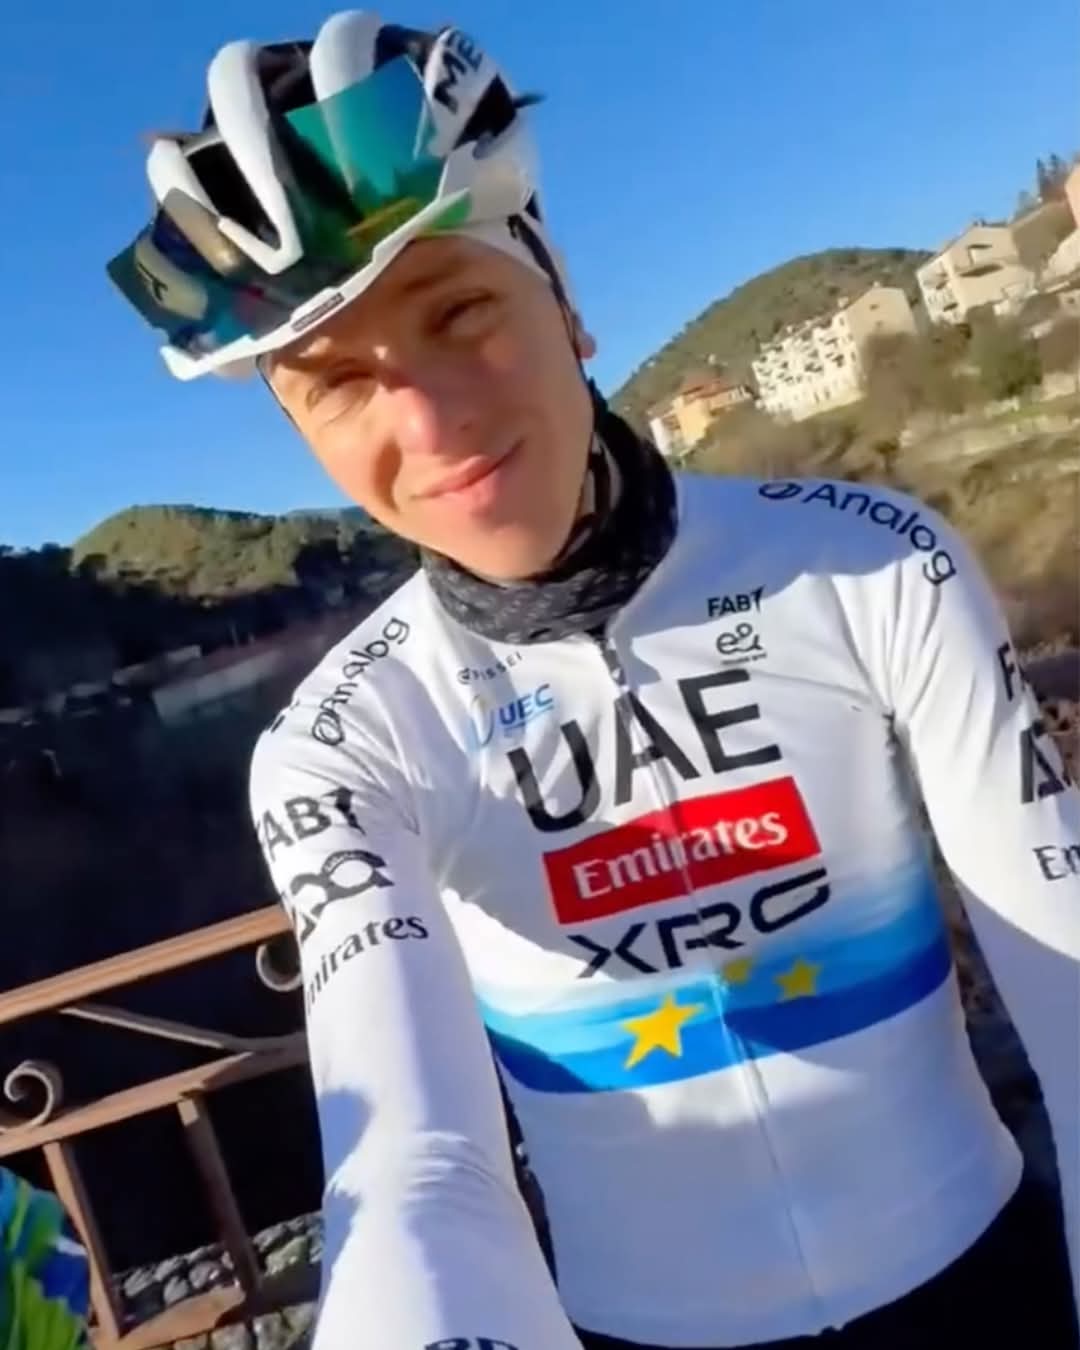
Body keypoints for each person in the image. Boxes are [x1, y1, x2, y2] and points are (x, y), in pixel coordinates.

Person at [105, 11, 1080, 1348]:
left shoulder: (869, 563)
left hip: (982, 1284)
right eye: (336, 383)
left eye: (459, 312)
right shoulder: (344, 743)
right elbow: (412, 1167)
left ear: (560, 296)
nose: (429, 421)